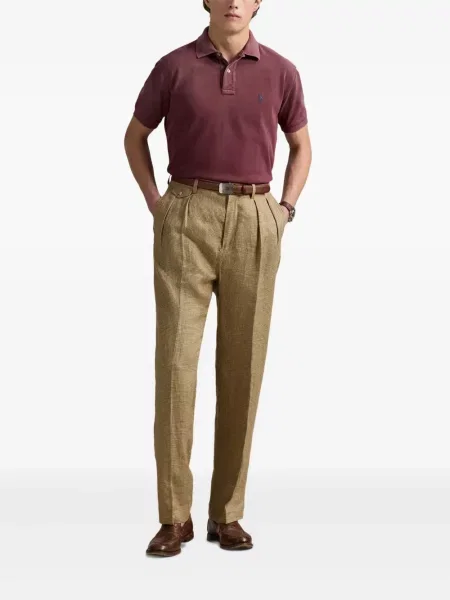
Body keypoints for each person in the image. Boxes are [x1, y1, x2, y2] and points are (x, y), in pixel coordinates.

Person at [124, 0, 312, 557]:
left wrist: (284, 211)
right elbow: (135, 136)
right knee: (176, 369)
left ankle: (226, 514)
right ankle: (174, 517)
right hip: (187, 212)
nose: (233, 1)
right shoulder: (173, 66)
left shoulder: (282, 71)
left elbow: (302, 146)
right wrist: (157, 203)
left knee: (243, 369)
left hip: (256, 217)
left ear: (258, 4)